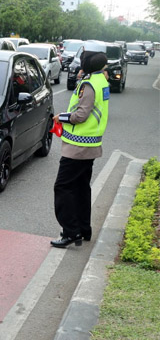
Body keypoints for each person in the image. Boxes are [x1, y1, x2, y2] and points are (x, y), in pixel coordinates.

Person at [51, 41, 109, 248]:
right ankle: (83, 230)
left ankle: (70, 232)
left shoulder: (89, 84)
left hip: (77, 146)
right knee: (81, 187)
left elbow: (81, 114)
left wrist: (61, 117)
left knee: (63, 187)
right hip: (91, 144)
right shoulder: (101, 80)